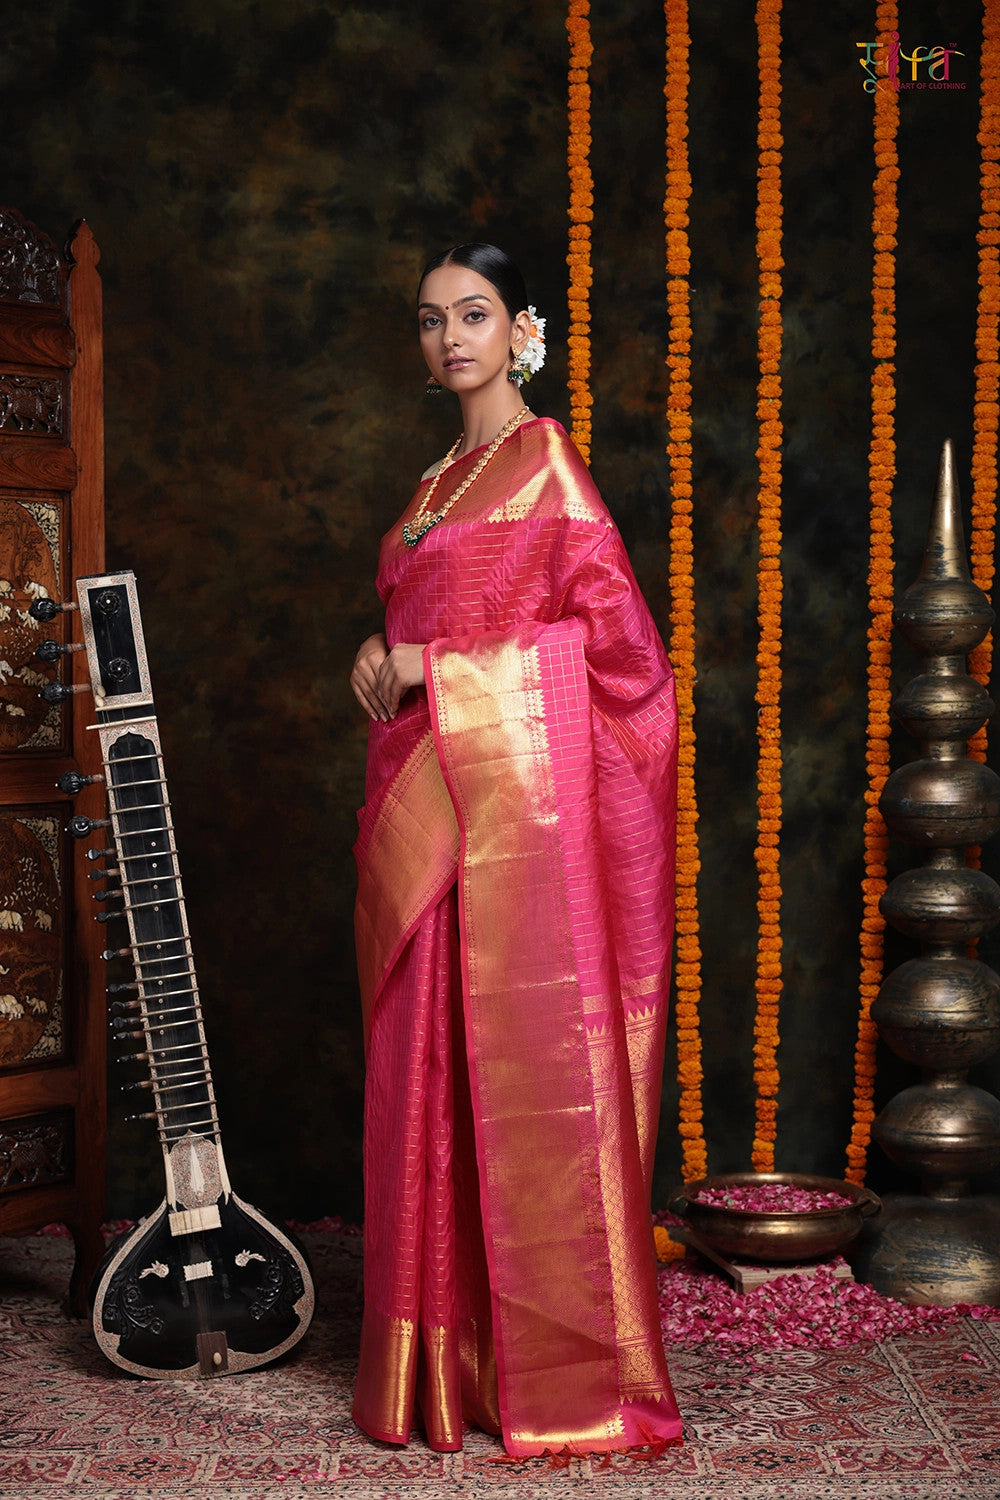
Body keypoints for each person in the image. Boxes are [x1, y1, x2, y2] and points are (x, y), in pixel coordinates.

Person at [349, 243, 682, 1457]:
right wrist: (381, 657)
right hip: (421, 796)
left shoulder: (546, 465)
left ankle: (536, 1366)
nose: (451, 339)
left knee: (514, 1066)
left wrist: (430, 668)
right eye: (430, 319)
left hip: (505, 822)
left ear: (520, 329)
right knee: (421, 1071)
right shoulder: (436, 480)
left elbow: (620, 663)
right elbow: (418, 616)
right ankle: (433, 1361)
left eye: (475, 315)